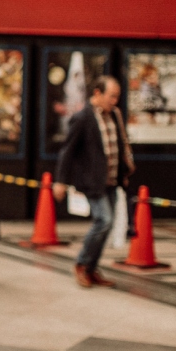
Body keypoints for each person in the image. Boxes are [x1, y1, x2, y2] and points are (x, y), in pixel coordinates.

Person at [54, 76, 135, 289]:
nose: (115, 101)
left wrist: (124, 172)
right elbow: (67, 151)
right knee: (104, 220)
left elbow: (120, 144)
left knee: (107, 226)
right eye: (112, 96)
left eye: (117, 96)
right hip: (92, 180)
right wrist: (60, 181)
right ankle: (81, 264)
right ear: (97, 93)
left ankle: (91, 268)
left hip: (112, 179)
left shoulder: (114, 115)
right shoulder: (82, 118)